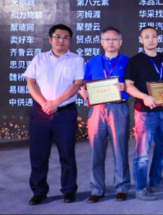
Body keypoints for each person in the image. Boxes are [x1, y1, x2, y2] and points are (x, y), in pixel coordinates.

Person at [24, 24, 85, 205]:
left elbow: (77, 84)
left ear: (70, 41)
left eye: (66, 37)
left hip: (65, 113)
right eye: (57, 36)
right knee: (39, 154)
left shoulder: (76, 60)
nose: (61, 40)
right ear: (50, 39)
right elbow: (31, 83)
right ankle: (39, 191)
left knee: (67, 153)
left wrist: (56, 103)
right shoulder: (39, 58)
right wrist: (44, 103)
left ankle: (69, 190)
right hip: (40, 113)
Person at [124, 27, 163, 201]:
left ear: (158, 39)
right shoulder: (135, 61)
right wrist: (144, 97)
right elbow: (128, 85)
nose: (151, 40)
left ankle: (156, 181)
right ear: (141, 40)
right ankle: (141, 188)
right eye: (146, 37)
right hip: (145, 113)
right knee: (142, 152)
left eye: (154, 36)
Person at [79, 27, 131, 203]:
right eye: (107, 39)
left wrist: (126, 87)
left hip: (118, 108)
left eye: (114, 39)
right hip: (97, 109)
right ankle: (97, 189)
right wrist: (83, 92)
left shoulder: (128, 62)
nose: (111, 42)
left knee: (120, 150)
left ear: (120, 42)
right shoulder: (92, 62)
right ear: (101, 42)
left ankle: (121, 187)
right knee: (96, 150)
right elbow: (84, 84)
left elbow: (135, 85)